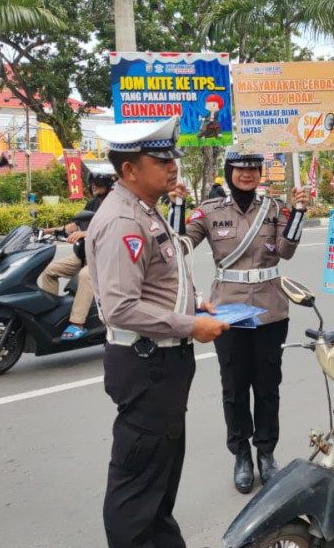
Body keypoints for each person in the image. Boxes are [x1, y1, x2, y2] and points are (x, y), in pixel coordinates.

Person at [86, 116, 229, 548]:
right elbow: (120, 306)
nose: (173, 167)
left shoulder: (146, 210)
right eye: (160, 160)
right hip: (147, 364)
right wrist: (191, 324)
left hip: (163, 362)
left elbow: (159, 280)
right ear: (129, 170)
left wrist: (193, 303)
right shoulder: (123, 222)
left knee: (159, 478)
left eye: (173, 158)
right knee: (138, 486)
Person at [170, 148, 308, 494]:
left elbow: (287, 251)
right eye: (240, 168)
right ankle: (241, 454)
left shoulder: (275, 209)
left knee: (267, 386)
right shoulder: (211, 211)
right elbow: (177, 247)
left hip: (270, 312)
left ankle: (266, 453)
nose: (247, 174)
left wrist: (300, 212)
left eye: (253, 169)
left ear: (260, 173)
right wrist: (175, 207)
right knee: (234, 388)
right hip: (227, 314)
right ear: (229, 171)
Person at [38, 170, 113, 340]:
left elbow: (110, 227)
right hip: (83, 254)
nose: (95, 187)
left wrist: (85, 233)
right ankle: (51, 314)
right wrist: (48, 231)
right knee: (50, 270)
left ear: (109, 185)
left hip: (102, 258)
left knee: (86, 276)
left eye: (99, 184)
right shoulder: (93, 203)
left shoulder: (113, 205)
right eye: (93, 184)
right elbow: (75, 225)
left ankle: (77, 324)